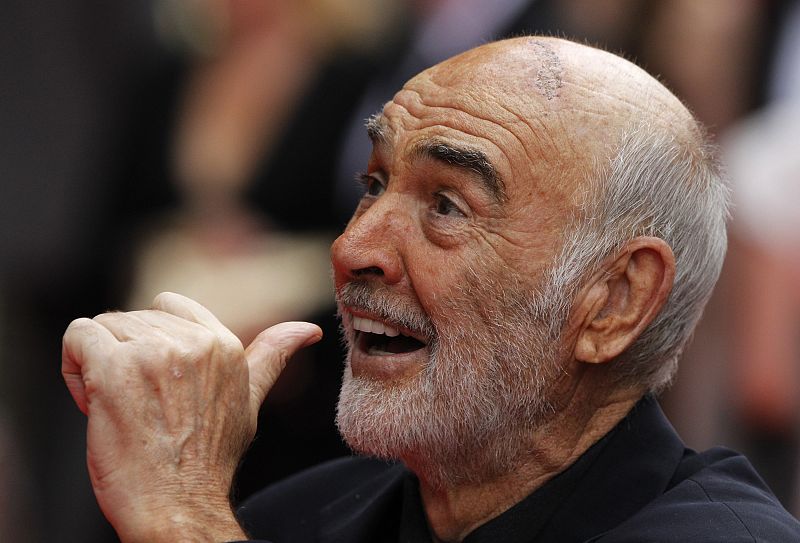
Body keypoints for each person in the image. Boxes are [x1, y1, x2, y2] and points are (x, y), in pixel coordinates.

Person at [61, 36, 800, 542]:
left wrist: (182, 515)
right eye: (373, 184)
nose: (353, 248)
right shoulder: (297, 517)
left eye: (447, 206)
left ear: (614, 301)